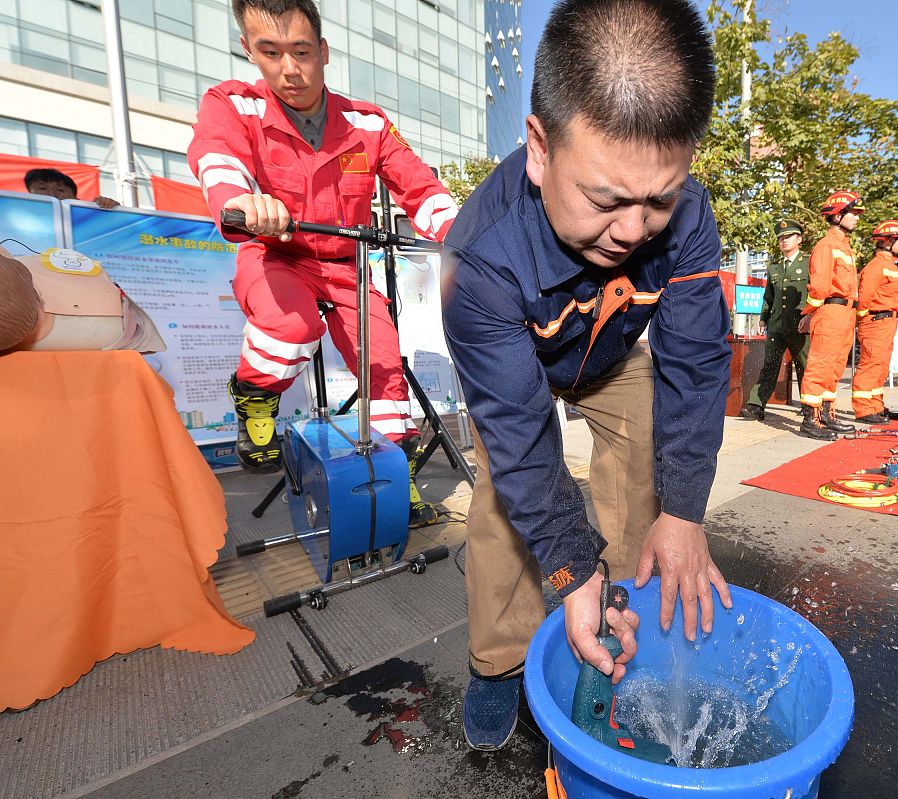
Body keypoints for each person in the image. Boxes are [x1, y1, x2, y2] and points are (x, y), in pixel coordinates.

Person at [441, 0, 734, 752]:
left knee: (648, 467)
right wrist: (570, 566)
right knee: (504, 498)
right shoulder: (478, 259)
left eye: (658, 200)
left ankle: (619, 625)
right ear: (540, 149)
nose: (633, 231)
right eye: (606, 200)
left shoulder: (691, 216)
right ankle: (498, 659)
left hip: (608, 359)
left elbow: (697, 362)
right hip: (522, 365)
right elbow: (520, 436)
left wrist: (686, 512)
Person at [187, 0, 457, 472]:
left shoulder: (368, 122)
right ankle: (254, 395)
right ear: (248, 50)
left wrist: (463, 234)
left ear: (324, 50)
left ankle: (394, 481)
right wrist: (242, 201)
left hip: (347, 268)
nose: (289, 69)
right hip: (275, 256)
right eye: (271, 52)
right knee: (290, 327)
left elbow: (420, 188)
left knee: (386, 372)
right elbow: (217, 158)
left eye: (301, 51)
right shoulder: (232, 105)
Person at [797, 191, 864, 440]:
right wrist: (810, 313)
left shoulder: (844, 246)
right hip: (831, 312)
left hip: (845, 313)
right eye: (853, 213)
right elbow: (819, 286)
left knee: (835, 366)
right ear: (837, 216)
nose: (857, 218)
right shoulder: (826, 246)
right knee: (820, 364)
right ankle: (810, 420)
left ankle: (826, 414)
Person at [739, 218, 810, 422]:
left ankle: (809, 407)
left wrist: (810, 315)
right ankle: (755, 405)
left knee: (804, 366)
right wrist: (763, 318)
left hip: (800, 324)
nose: (784, 240)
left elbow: (816, 292)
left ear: (799, 239)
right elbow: (768, 297)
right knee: (769, 365)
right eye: (780, 238)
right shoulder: (774, 268)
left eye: (788, 236)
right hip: (776, 325)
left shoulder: (808, 263)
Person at [851, 219, 898, 423]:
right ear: (888, 241)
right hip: (876, 322)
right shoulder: (876, 267)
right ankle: (864, 409)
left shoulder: (889, 266)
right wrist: (866, 321)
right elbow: (864, 299)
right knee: (870, 365)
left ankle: (875, 406)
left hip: (886, 322)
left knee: (881, 366)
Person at [24, 168, 119, 209]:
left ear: (76, 199)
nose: (52, 194)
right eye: (42, 188)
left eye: (61, 190)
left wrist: (112, 210)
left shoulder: (90, 220)